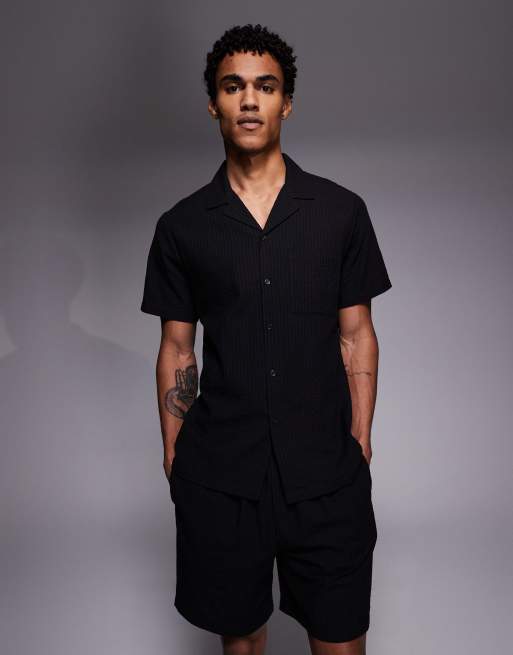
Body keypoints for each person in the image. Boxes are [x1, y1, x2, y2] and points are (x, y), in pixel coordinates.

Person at [140, 23, 392, 655]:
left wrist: (360, 439)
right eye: (233, 87)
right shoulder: (181, 226)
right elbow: (177, 348)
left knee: (340, 640)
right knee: (242, 642)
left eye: (265, 86)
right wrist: (175, 453)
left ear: (287, 103)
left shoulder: (340, 211)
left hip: (326, 471)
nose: (249, 100)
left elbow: (357, 335)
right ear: (213, 103)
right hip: (223, 473)